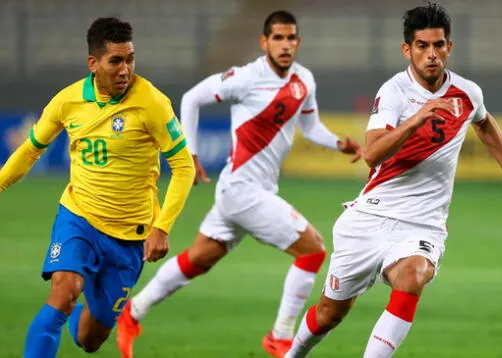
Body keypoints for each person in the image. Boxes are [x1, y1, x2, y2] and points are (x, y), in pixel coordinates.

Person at [283, 3, 502, 357]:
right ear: (408, 49)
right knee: (330, 314)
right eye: (422, 46)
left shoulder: (466, 93)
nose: (431, 54)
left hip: (422, 225)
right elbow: (372, 154)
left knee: (413, 276)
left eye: (438, 45)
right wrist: (416, 119)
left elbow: (483, 122)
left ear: (449, 47)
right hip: (370, 218)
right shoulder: (393, 92)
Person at [116, 10, 362, 358]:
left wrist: (338, 143)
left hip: (251, 191)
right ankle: (280, 336)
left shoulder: (304, 80)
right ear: (264, 42)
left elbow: (310, 127)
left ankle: (132, 312)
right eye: (278, 38)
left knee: (198, 259)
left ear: (298, 42)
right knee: (313, 249)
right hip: (242, 190)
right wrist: (192, 152)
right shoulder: (247, 77)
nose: (285, 45)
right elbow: (192, 98)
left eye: (291, 38)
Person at [0, 17, 195, 358]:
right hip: (79, 217)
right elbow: (31, 149)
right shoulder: (67, 101)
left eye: (130, 59)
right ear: (94, 63)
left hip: (129, 236)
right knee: (63, 294)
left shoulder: (152, 102)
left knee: (90, 340)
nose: (125, 69)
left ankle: (84, 308)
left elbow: (183, 166)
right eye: (115, 61)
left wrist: (162, 227)